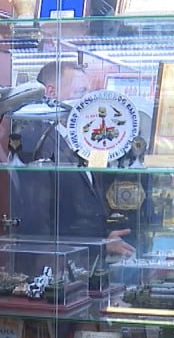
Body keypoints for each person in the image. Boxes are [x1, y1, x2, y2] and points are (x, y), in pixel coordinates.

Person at [11, 60, 142, 259]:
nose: (87, 101)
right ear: (51, 93)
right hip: (58, 263)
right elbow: (38, 219)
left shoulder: (79, 140)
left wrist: (103, 240)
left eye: (88, 93)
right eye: (81, 93)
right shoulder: (35, 140)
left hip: (83, 261)